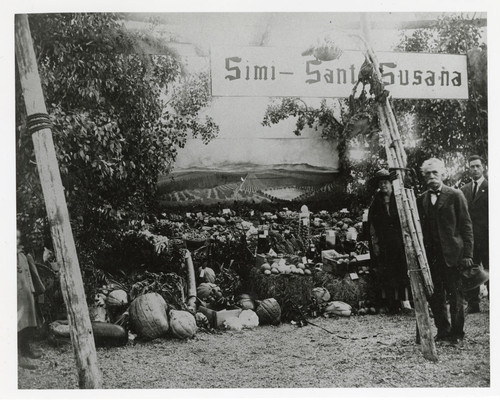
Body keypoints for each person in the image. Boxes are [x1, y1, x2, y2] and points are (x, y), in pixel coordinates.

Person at [417, 158, 474, 343]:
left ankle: (457, 333)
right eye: (428, 173)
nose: (432, 176)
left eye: (435, 172)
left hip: (453, 256)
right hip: (431, 258)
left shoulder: (455, 195)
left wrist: (468, 255)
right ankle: (443, 331)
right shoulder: (421, 199)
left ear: (443, 174)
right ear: (424, 176)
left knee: (455, 296)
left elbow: (466, 226)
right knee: (435, 296)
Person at [367, 169, 411, 313]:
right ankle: (392, 303)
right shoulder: (376, 202)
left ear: (391, 184)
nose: (383, 186)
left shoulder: (398, 199)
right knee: (388, 272)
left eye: (385, 182)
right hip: (385, 243)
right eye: (381, 183)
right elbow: (372, 225)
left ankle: (406, 301)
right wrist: (375, 243)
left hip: (400, 241)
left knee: (403, 271)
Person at [460, 155, 489, 313]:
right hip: (471, 239)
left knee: (492, 268)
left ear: (483, 167)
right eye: (472, 166)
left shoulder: (491, 187)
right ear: (469, 169)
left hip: (488, 238)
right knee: (471, 269)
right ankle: (473, 303)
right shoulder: (464, 190)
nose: (475, 169)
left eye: (478, 166)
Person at [17, 229, 45, 370]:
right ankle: (18, 356)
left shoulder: (22, 254)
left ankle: (26, 348)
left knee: (28, 321)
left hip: (25, 292)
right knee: (18, 323)